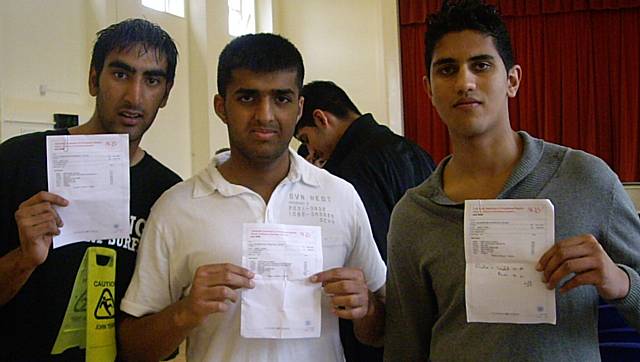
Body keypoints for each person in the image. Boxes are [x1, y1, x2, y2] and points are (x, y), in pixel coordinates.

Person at [384, 1, 640, 361]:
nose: (465, 82)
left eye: (481, 65)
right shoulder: (414, 215)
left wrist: (620, 282)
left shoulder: (586, 179)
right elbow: (404, 347)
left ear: (513, 80)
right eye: (447, 69)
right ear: (428, 89)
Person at [118, 33, 386, 362]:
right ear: (221, 107)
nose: (265, 115)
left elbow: (380, 330)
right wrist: (186, 312)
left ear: (299, 107)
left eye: (282, 99)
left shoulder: (340, 196)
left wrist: (367, 307)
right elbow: (133, 349)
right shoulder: (177, 208)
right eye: (247, 98)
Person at [0, 18, 181, 361]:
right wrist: (24, 259)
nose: (135, 95)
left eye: (152, 80)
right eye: (121, 74)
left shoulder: (169, 194)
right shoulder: (18, 160)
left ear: (166, 93)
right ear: (93, 78)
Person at [295, 80, 435, 361]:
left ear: (321, 119)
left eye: (308, 141)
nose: (312, 154)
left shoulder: (345, 175)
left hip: (380, 322)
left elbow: (367, 262)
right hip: (430, 308)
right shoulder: (411, 149)